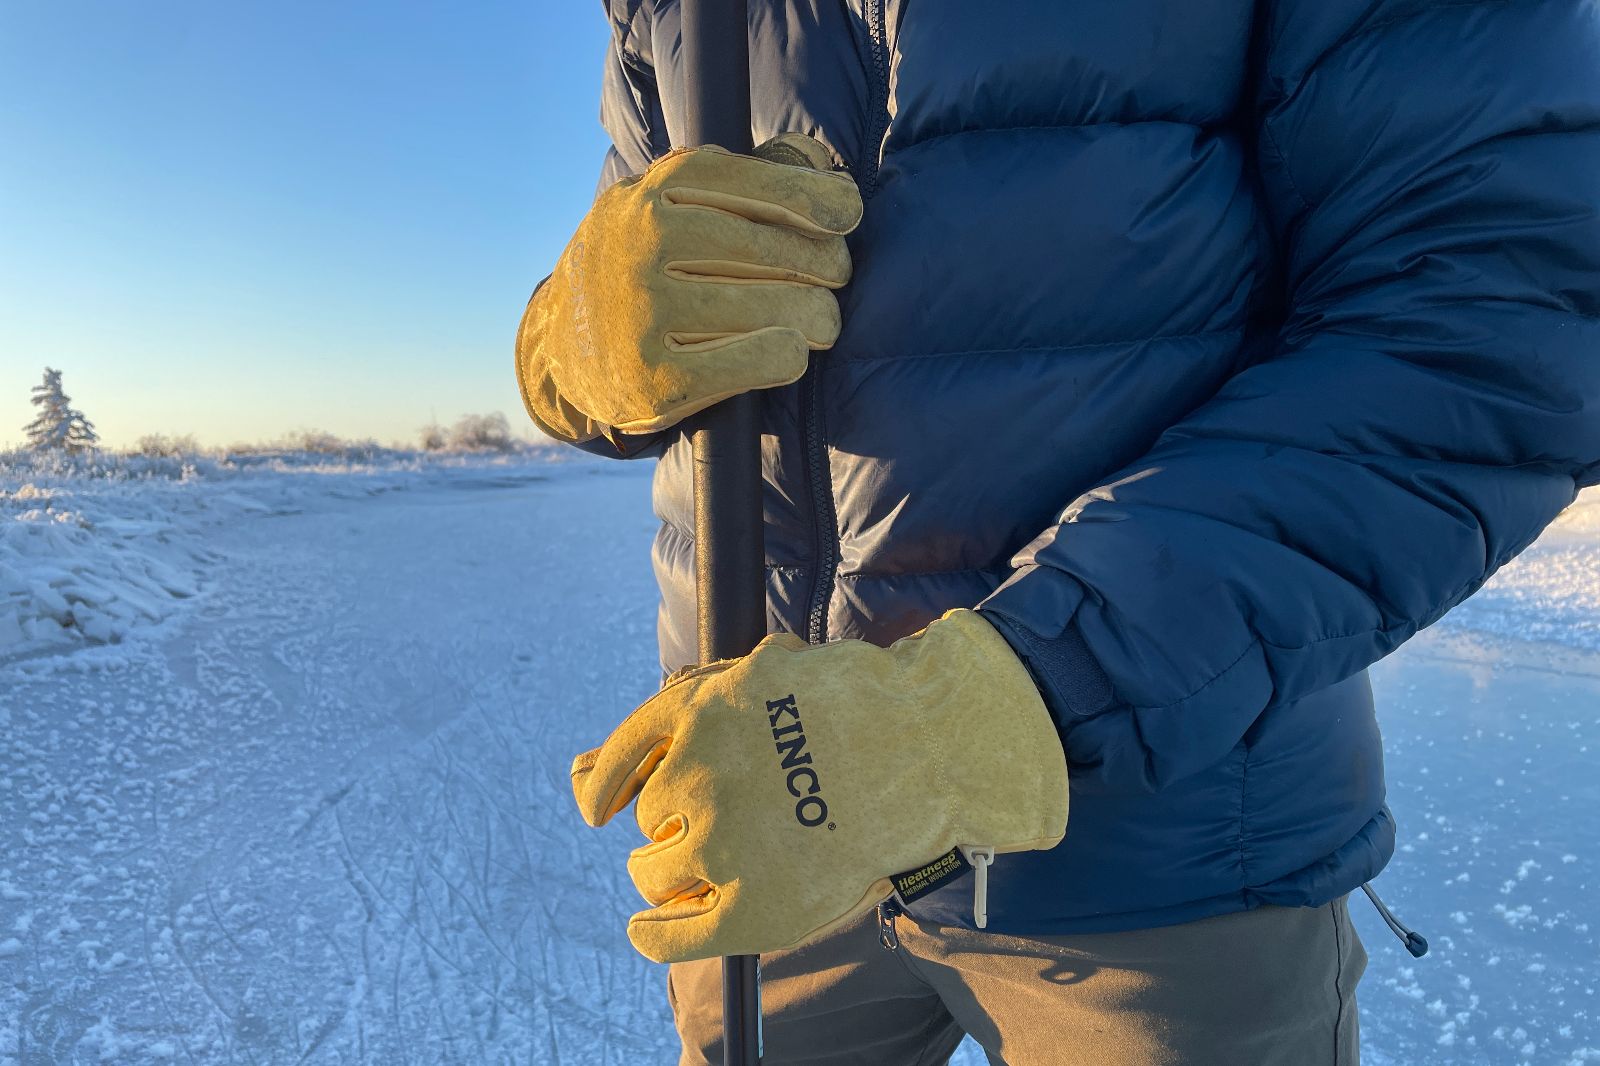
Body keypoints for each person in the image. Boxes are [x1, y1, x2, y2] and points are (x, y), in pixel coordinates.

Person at [514, 2, 1600, 1062]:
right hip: (768, 818)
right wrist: (570, 346)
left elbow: (1491, 320)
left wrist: (983, 711)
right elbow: (645, 297)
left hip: (1160, 865)